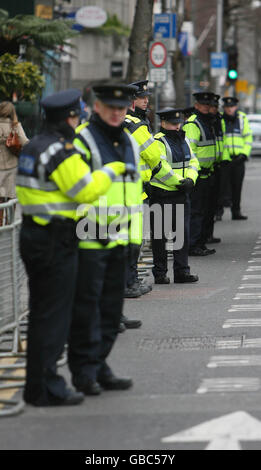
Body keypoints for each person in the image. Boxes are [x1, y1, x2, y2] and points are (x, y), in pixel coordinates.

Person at [16, 89, 130, 406]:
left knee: (42, 314)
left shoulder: (35, 146)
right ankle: (46, 387)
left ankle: (38, 385)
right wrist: (111, 170)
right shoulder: (61, 151)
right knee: (53, 317)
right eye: (76, 115)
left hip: (34, 234)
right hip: (55, 239)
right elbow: (85, 190)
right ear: (70, 117)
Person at [68, 83, 143, 395]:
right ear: (96, 106)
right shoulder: (82, 139)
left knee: (112, 311)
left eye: (121, 108)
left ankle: (99, 364)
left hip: (121, 239)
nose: (116, 113)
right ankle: (84, 372)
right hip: (89, 238)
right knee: (88, 309)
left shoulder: (128, 140)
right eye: (110, 107)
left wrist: (134, 239)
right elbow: (74, 190)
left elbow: (134, 191)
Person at [150, 107, 199, 284]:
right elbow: (160, 168)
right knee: (160, 237)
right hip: (162, 194)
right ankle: (160, 273)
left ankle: (181, 271)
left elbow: (194, 161)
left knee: (181, 236)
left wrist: (191, 179)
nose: (177, 127)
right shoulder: (158, 141)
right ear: (162, 123)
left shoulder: (184, 139)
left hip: (181, 193)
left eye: (178, 123)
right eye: (172, 124)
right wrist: (181, 182)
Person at [183, 91, 217, 256]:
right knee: (196, 211)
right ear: (196, 105)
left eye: (208, 105)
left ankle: (200, 243)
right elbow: (190, 151)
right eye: (203, 105)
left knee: (204, 211)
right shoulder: (193, 124)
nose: (206, 107)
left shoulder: (205, 121)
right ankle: (192, 245)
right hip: (198, 175)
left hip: (208, 173)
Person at [221, 96, 253, 220]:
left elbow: (248, 138)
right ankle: (219, 211)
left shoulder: (242, 118)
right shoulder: (220, 119)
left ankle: (236, 211)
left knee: (237, 186)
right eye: (227, 107)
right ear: (224, 108)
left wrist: (244, 154)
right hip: (225, 159)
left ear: (236, 107)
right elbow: (220, 140)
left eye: (232, 106)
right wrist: (225, 157)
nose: (230, 109)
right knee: (222, 186)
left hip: (239, 158)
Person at [0, 101, 28, 225]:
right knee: (11, 196)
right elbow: (26, 142)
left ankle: (0, 224)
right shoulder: (15, 126)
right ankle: (9, 223)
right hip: (12, 167)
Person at [205, 93, 224, 243]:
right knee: (204, 207)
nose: (214, 109)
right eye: (211, 106)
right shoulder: (206, 121)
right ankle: (203, 236)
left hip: (216, 166)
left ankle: (209, 234)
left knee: (212, 204)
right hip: (204, 170)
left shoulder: (217, 120)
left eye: (215, 107)